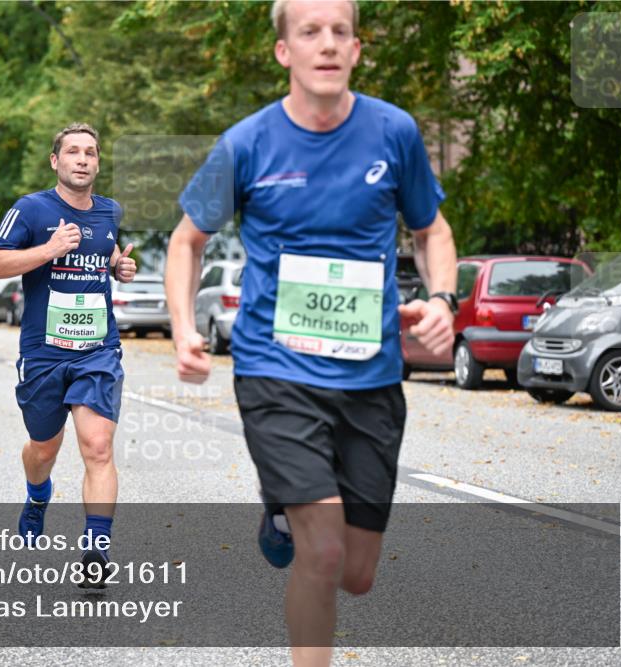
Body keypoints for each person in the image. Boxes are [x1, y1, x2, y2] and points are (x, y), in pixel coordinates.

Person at [165, 1, 458, 663]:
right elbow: (186, 241)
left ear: (356, 48)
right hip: (275, 370)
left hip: (372, 376)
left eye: (340, 32)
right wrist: (184, 328)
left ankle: (279, 513)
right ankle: (293, 511)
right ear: (283, 52)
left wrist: (442, 297)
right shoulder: (247, 144)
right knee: (321, 551)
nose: (327, 44)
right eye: (310, 32)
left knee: (356, 571)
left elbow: (432, 229)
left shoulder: (396, 133)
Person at [0, 122, 137, 586]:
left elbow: (103, 254)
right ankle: (37, 495)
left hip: (97, 349)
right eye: (73, 151)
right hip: (44, 353)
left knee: (98, 446)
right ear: (56, 161)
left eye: (90, 152)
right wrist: (48, 249)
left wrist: (118, 266)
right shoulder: (30, 209)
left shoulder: (109, 212)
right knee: (44, 448)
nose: (83, 159)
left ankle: (95, 552)